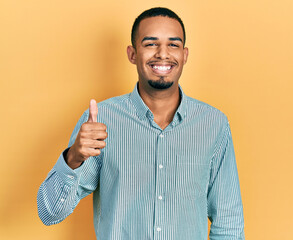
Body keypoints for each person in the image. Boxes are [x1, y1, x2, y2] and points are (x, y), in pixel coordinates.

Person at [37, 7, 245, 240]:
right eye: (150, 44)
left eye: (173, 44)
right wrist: (73, 157)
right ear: (133, 54)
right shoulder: (100, 121)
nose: (163, 54)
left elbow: (228, 222)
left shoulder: (213, 124)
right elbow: (49, 213)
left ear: (185, 55)